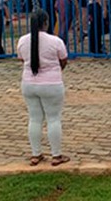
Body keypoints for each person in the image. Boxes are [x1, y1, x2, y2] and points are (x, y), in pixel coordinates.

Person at [17, 9, 70, 167]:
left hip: (29, 82)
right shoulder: (55, 41)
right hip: (51, 83)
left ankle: (36, 153)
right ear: (46, 23)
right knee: (53, 118)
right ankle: (56, 154)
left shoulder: (23, 41)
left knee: (34, 119)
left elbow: (22, 59)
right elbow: (63, 60)